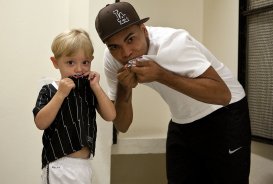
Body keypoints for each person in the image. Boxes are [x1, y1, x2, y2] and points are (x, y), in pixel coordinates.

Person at [95, 2, 251, 184]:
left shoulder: (175, 43)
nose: (126, 52)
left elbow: (223, 95)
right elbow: (122, 125)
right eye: (114, 46)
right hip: (182, 120)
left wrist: (161, 75)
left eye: (130, 39)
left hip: (224, 113)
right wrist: (124, 87)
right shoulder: (112, 60)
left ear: (143, 30)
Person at [32, 29, 116, 184]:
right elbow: (40, 122)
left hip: (84, 165)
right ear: (55, 63)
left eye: (85, 62)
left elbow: (110, 115)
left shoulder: (90, 89)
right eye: (71, 62)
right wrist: (60, 94)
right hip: (59, 165)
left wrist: (96, 87)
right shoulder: (50, 90)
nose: (79, 69)